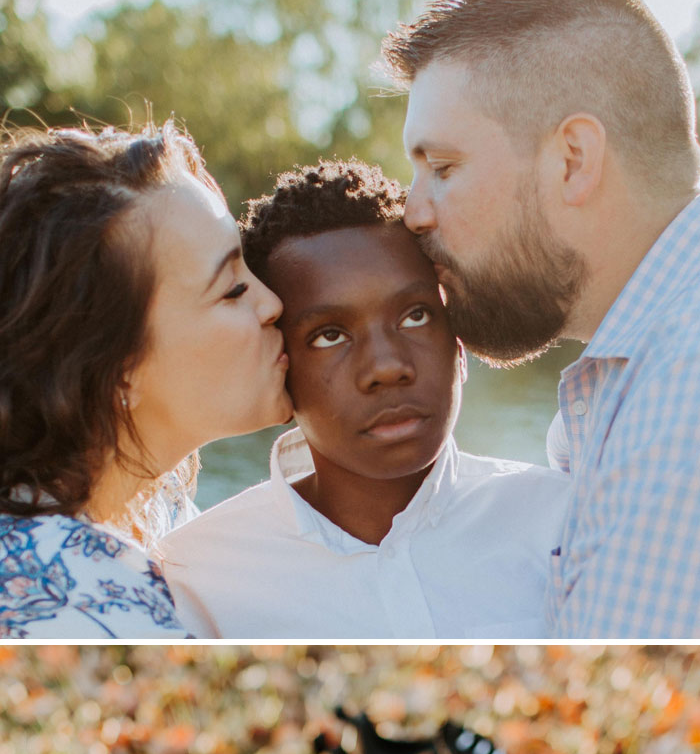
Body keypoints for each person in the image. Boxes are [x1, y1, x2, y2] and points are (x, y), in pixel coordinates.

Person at [382, 0, 700, 639]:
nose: (412, 212)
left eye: (443, 168)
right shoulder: (633, 379)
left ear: (573, 160)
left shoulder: (679, 416)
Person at [162, 161, 568, 638]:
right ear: (278, 360)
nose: (386, 367)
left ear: (458, 342)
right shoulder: (193, 576)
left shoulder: (563, 522)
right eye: (330, 335)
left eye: (415, 317)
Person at [0, 123, 291, 638]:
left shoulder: (157, 510)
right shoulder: (75, 607)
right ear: (114, 366)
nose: (272, 304)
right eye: (231, 290)